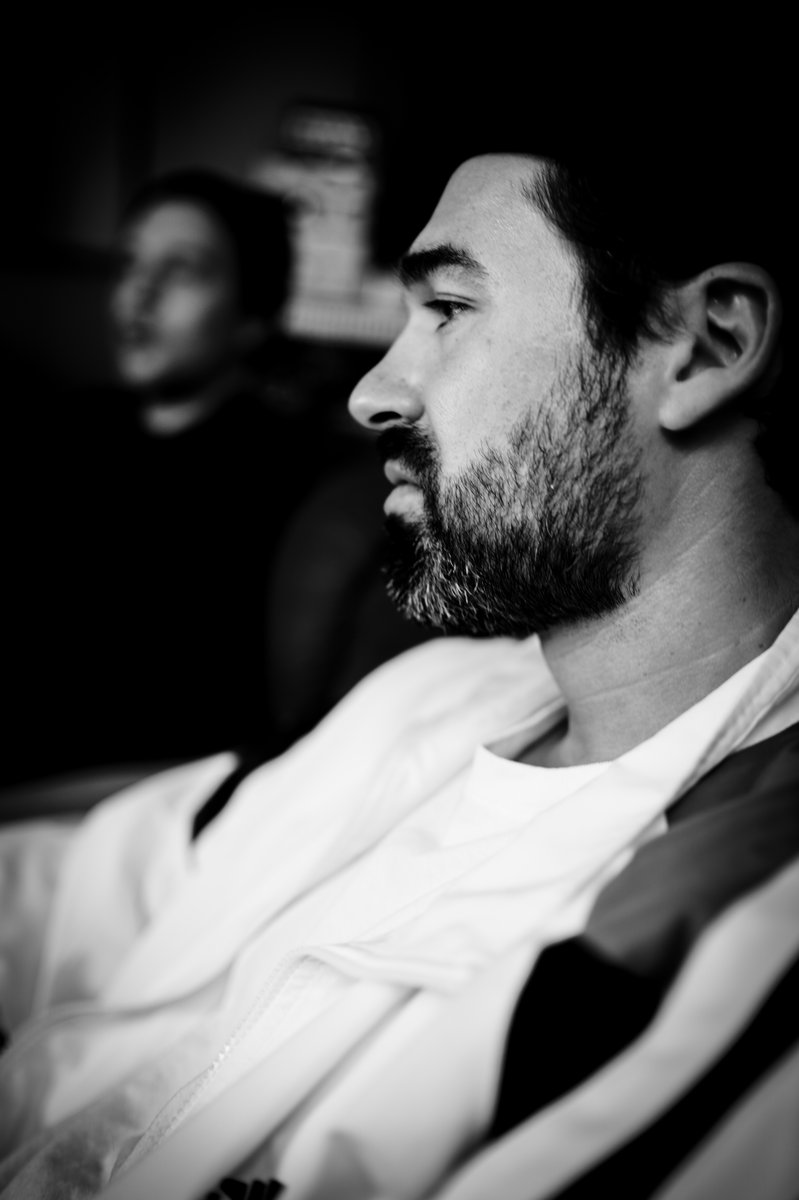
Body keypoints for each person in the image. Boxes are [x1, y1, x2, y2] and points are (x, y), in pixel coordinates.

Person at [0, 112, 797, 1200]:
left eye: (449, 309)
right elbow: (84, 886)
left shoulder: (720, 924)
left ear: (705, 349)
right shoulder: (426, 696)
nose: (370, 393)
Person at [2, 168, 352, 783]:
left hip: (129, 787)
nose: (139, 294)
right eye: (131, 265)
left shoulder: (283, 474)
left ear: (251, 315)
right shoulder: (66, 428)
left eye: (182, 270)